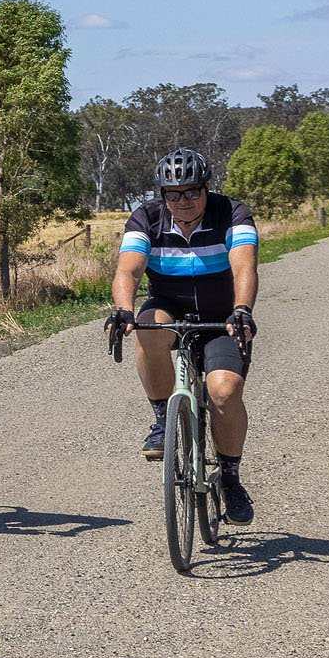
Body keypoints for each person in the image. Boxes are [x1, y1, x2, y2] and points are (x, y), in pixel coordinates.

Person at [105, 148, 259, 524]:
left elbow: (244, 265)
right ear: (162, 195)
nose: (183, 201)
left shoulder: (232, 213)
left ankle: (230, 477)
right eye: (173, 194)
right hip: (169, 306)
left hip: (223, 316)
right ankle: (162, 419)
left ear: (207, 189)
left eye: (192, 191)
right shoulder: (146, 218)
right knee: (147, 328)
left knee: (224, 392)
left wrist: (242, 310)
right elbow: (129, 269)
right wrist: (124, 308)